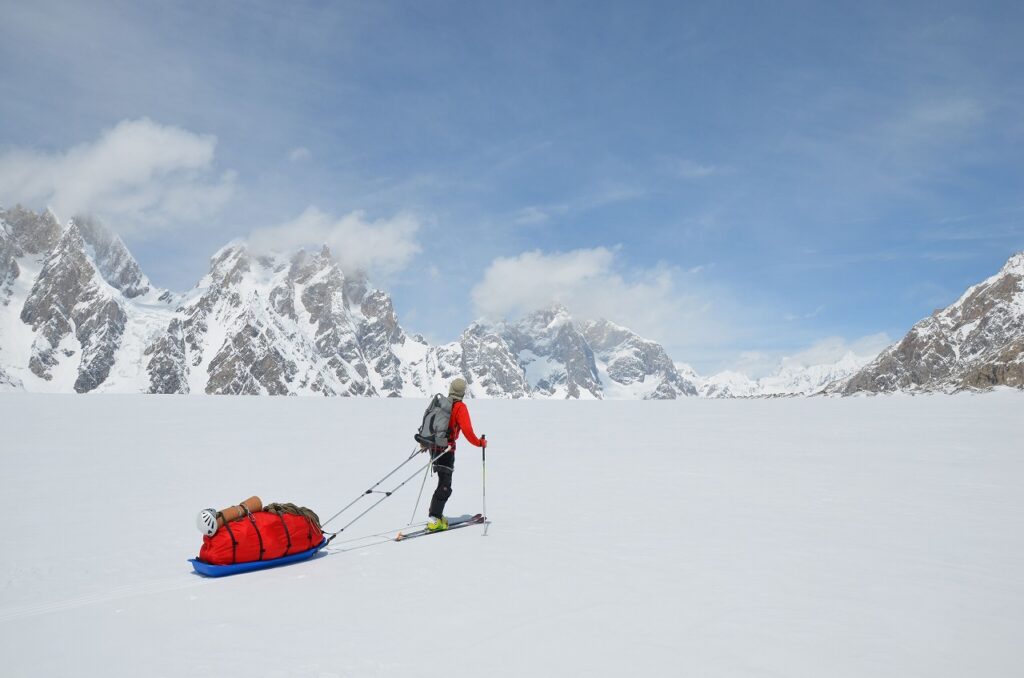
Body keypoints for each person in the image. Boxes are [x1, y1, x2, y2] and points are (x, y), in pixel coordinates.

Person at [425, 377, 486, 532]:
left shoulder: (442, 403)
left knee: (442, 482)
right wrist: (480, 443)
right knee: (445, 485)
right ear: (463, 393)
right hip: (446, 449)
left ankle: (436, 515)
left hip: (434, 447)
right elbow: (467, 431)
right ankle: (434, 518)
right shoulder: (460, 407)